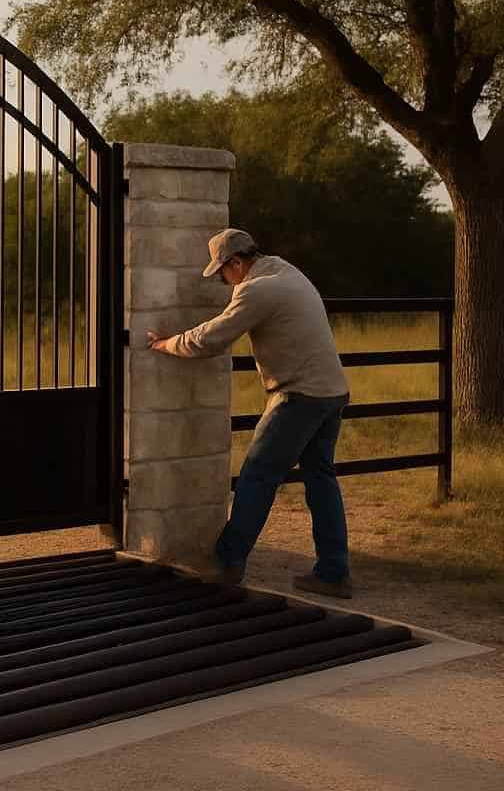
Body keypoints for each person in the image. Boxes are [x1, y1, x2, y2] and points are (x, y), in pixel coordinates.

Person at [145, 229, 354, 598]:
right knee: (320, 479)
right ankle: (334, 571)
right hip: (332, 392)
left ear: (237, 264)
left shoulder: (256, 290)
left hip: (299, 395)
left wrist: (165, 344)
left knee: (258, 475)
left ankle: (227, 561)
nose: (225, 282)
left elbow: (211, 338)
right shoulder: (286, 271)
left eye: (223, 274)